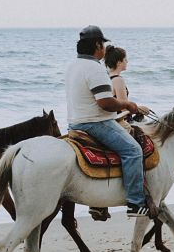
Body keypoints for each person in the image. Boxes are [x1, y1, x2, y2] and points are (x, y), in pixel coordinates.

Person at [65, 26, 151, 217]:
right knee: (133, 150)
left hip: (74, 123)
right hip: (95, 123)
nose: (104, 48)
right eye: (103, 43)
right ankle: (136, 203)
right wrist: (128, 105)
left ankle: (99, 201)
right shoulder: (95, 68)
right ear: (97, 45)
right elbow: (105, 103)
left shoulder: (73, 65)